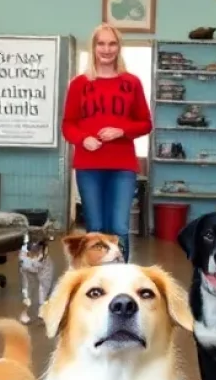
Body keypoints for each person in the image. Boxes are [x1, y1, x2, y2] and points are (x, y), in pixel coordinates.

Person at [61, 23, 151, 260]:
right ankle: (98, 281)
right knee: (96, 228)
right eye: (101, 43)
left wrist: (121, 130)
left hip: (123, 167)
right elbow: (68, 125)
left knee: (120, 227)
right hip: (88, 166)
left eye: (112, 43)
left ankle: (122, 281)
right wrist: (83, 138)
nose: (106, 49)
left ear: (119, 48)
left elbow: (145, 123)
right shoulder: (79, 84)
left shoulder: (132, 83)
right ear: (93, 47)